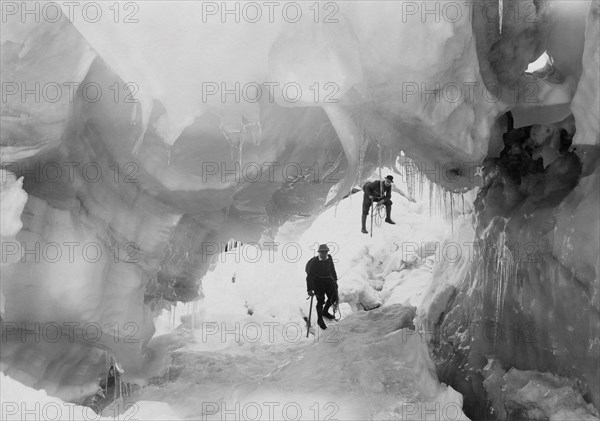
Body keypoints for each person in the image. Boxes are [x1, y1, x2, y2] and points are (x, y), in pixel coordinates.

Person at [306, 244, 339, 330]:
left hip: (328, 281)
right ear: (319, 252)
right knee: (320, 301)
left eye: (326, 252)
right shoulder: (315, 262)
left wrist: (335, 280)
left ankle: (325, 311)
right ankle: (320, 319)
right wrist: (309, 289)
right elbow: (309, 276)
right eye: (322, 252)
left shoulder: (329, 258)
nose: (324, 254)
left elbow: (332, 269)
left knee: (334, 297)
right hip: (318, 283)